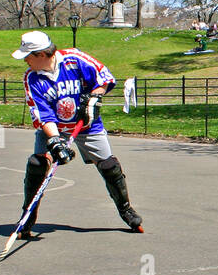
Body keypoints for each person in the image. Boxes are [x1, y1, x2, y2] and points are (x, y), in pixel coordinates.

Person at [13, 30, 143, 237]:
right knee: (38, 164)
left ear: (41, 55)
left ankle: (125, 208)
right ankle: (28, 214)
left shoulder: (75, 59)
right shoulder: (32, 78)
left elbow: (105, 78)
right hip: (55, 128)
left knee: (109, 165)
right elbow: (43, 115)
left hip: (87, 125)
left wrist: (94, 99)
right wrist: (55, 142)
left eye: (28, 56)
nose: (25, 61)